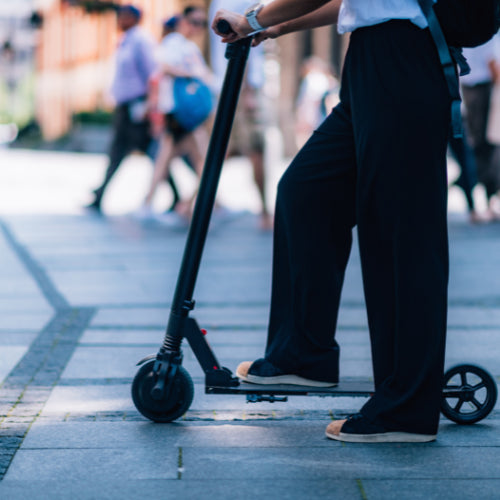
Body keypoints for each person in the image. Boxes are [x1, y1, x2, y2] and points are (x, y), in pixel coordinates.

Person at [213, 0, 451, 443]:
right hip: (371, 60)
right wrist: (277, 28)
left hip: (402, 58)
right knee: (307, 193)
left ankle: (406, 411)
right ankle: (304, 355)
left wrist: (254, 17)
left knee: (399, 236)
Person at [137, 6, 214, 221]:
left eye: (201, 23)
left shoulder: (189, 46)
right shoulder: (174, 43)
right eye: (194, 21)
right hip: (179, 111)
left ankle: (158, 203)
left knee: (177, 157)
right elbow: (160, 66)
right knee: (202, 160)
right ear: (183, 21)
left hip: (186, 112)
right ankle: (195, 204)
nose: (197, 27)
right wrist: (190, 73)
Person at [86, 5, 157, 213]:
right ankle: (100, 194)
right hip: (125, 107)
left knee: (151, 151)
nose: (119, 20)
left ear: (135, 19)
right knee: (122, 150)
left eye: (123, 17)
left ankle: (100, 195)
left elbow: (152, 75)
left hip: (137, 106)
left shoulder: (141, 41)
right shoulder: (124, 41)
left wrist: (148, 105)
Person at [209, 0, 272, 230]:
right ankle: (264, 212)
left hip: (226, 86)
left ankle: (192, 204)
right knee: (257, 149)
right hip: (243, 89)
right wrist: (249, 92)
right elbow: (245, 44)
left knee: (222, 150)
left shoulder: (219, 2)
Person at [461, 39, 500, 220]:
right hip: (482, 88)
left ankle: (487, 199)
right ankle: (489, 198)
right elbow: (492, 63)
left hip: (470, 86)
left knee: (479, 145)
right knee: (485, 146)